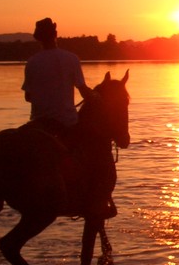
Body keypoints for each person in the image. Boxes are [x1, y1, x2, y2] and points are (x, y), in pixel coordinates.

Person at [22, 17, 116, 219]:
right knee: (97, 152)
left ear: (39, 39)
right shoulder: (70, 58)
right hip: (66, 122)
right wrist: (97, 98)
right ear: (56, 35)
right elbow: (83, 92)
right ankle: (98, 200)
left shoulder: (32, 62)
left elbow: (28, 96)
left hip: (37, 124)